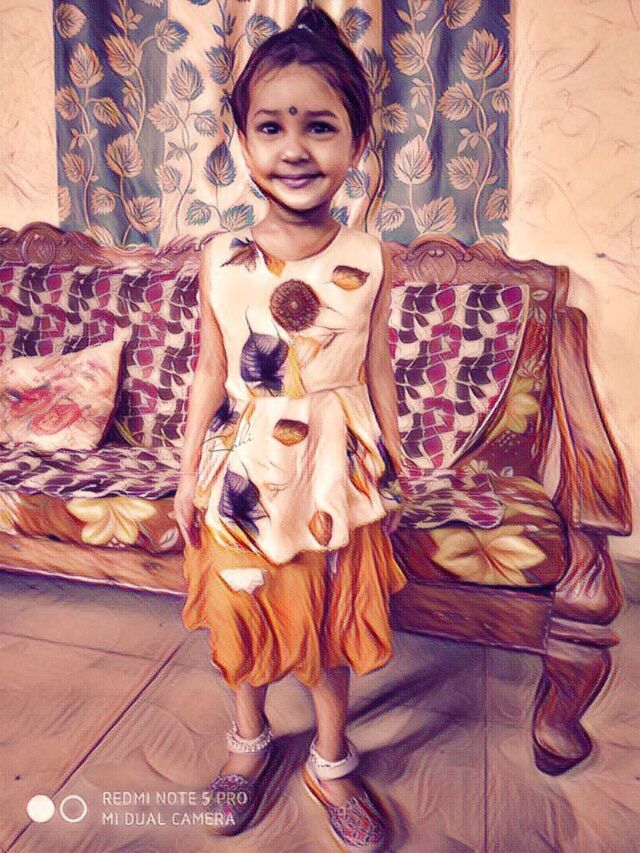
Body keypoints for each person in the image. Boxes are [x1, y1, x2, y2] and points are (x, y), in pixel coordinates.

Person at [173, 6, 410, 851]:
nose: (295, 147)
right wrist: (183, 477)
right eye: (271, 126)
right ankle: (249, 741)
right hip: (240, 474)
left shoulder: (372, 256)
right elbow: (210, 371)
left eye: (320, 125)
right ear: (242, 142)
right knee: (243, 609)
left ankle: (330, 758)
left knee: (327, 616)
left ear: (357, 141)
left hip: (333, 474)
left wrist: (393, 459)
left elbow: (377, 369)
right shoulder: (219, 257)